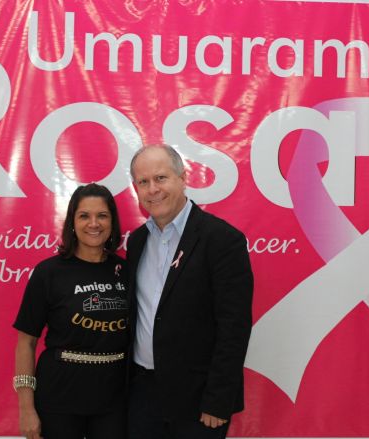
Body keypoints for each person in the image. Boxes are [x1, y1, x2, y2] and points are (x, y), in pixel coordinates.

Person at [126, 144, 253, 439]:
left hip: (199, 400)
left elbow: (234, 328)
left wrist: (218, 400)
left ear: (182, 178)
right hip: (143, 395)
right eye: (143, 182)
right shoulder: (137, 241)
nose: (153, 189)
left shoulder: (222, 240)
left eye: (161, 178)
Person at [13, 183, 128, 439]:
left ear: (112, 222)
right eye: (84, 216)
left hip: (114, 396)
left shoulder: (127, 271)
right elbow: (26, 343)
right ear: (72, 222)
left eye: (102, 215)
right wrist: (26, 408)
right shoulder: (48, 272)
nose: (94, 224)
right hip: (59, 394)